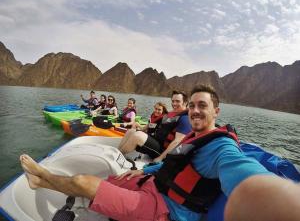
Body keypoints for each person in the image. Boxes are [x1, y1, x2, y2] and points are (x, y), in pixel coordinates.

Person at [19, 84, 300, 221]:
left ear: (217, 111)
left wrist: (274, 198)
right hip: (152, 184)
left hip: (165, 210)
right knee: (105, 177)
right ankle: (47, 184)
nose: (195, 110)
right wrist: (144, 169)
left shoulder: (220, 147)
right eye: (192, 106)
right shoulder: (194, 137)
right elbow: (173, 165)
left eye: (203, 105)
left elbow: (243, 175)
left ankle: (43, 177)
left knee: (83, 182)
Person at [118, 90, 191, 162]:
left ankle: (118, 157)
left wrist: (161, 158)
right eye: (173, 101)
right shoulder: (170, 115)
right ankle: (118, 152)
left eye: (177, 101)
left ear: (185, 102)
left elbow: (177, 141)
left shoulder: (185, 119)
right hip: (156, 141)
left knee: (137, 136)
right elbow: (152, 124)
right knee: (131, 131)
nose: (174, 103)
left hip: (163, 151)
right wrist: (141, 128)